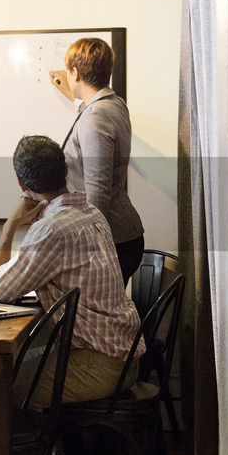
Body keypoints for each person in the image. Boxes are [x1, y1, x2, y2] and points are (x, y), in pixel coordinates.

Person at [0, 135, 141, 408]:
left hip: (97, 367)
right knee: (18, 365)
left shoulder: (51, 230)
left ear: (21, 184)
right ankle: (51, 451)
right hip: (123, 356)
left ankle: (27, 449)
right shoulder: (92, 214)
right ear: (66, 169)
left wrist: (9, 226)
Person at [48, 37, 146, 284]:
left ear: (76, 72)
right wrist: (74, 95)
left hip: (110, 241)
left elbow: (98, 192)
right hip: (122, 236)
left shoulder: (95, 116)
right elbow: (91, 117)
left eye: (69, 71)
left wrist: (84, 251)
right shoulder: (114, 105)